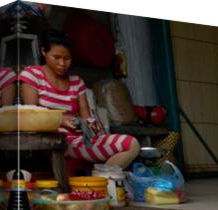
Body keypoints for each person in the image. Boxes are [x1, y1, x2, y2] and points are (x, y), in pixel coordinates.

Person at [19, 30, 140, 169]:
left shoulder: (76, 82)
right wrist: (61, 120)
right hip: (50, 141)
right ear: (43, 52)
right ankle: (102, 177)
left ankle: (102, 178)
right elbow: (31, 115)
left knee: (132, 144)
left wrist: (97, 131)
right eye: (56, 57)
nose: (62, 63)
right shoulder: (32, 75)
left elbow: (86, 118)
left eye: (67, 58)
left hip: (78, 140)